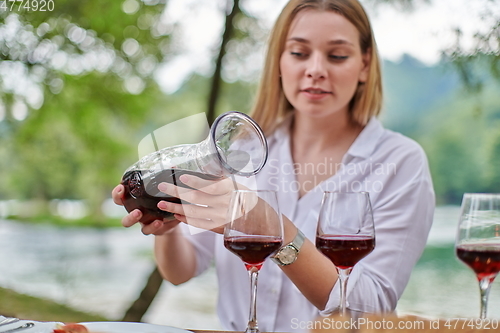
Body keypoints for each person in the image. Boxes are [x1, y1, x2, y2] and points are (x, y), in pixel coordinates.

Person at [112, 0, 435, 331]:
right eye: (298, 53)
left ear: (365, 64)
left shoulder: (400, 163)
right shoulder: (240, 150)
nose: (316, 69)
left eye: (337, 55)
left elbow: (371, 312)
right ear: (279, 61)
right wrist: (168, 224)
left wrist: (275, 230)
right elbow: (180, 271)